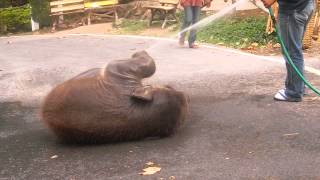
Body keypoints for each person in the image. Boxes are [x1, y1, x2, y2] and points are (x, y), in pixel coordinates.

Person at [261, 0, 315, 102]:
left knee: (292, 53)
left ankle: (294, 92)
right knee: (295, 50)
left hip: (293, 10)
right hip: (305, 5)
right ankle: (298, 87)